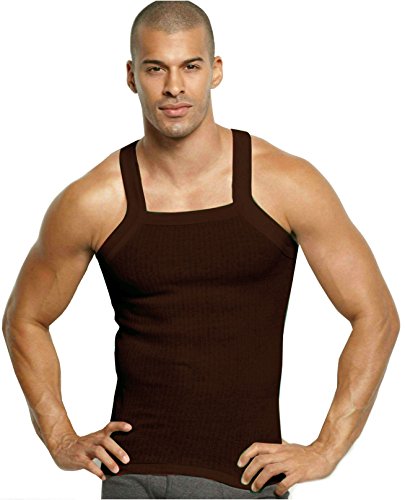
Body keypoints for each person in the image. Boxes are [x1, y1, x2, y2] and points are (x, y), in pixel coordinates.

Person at [2, 1, 400, 499]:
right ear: (132, 76)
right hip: (132, 478)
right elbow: (24, 318)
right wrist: (59, 437)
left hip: (242, 480)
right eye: (156, 69)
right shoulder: (94, 200)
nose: (174, 86)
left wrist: (327, 449)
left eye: (190, 66)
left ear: (215, 71)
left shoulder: (286, 183)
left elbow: (376, 314)